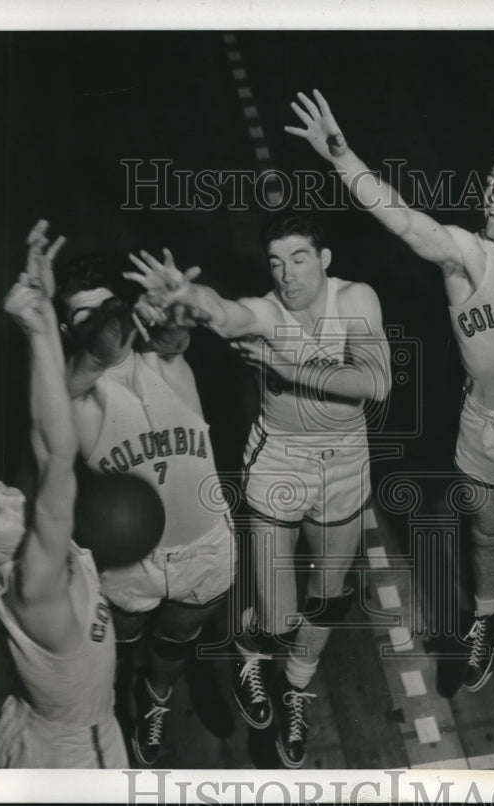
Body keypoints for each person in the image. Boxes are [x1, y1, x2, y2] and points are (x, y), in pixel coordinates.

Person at [285, 90, 494, 693]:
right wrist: (340, 156)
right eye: (491, 184)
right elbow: (403, 217)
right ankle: (488, 619)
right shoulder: (465, 257)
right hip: (485, 424)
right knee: (488, 534)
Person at [124, 214, 392, 768]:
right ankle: (248, 651)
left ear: (324, 259)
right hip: (281, 461)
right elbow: (224, 313)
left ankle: (296, 688)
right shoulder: (268, 312)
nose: (287, 273)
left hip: (344, 463)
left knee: (330, 595)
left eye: (298, 258)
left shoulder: (357, 300)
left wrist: (287, 365)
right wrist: (189, 294)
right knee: (276, 617)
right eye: (276, 262)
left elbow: (374, 382)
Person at [0, 220, 128, 768]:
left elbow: (40, 443)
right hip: (77, 756)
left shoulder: (13, 548)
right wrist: (36, 328)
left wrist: (40, 323)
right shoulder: (36, 584)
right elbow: (57, 461)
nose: (12, 496)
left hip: (35, 723)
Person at [56, 248, 235, 767]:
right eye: (83, 316)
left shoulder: (166, 362)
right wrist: (110, 323)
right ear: (69, 332)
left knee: (174, 644)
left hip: (203, 549)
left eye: (109, 306)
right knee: (120, 644)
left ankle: (155, 701)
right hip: (129, 566)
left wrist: (176, 310)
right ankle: (115, 697)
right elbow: (67, 382)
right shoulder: (74, 397)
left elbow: (173, 338)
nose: (102, 321)